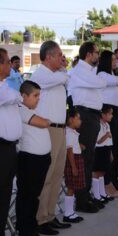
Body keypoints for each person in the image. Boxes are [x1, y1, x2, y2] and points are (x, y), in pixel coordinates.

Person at [31, 41, 71, 234]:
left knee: (57, 175)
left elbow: (65, 79)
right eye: (59, 55)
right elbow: (64, 78)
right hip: (48, 129)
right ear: (49, 57)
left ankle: (50, 214)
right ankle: (40, 219)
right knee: (47, 175)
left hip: (60, 129)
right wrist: (64, 71)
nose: (62, 58)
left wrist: (62, 71)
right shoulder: (40, 75)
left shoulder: (57, 76)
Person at [68, 42, 107, 213]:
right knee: (83, 158)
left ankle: (86, 196)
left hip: (91, 116)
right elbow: (100, 84)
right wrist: (100, 80)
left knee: (89, 157)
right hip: (84, 116)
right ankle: (82, 200)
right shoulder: (80, 70)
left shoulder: (88, 71)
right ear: (89, 54)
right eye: (97, 53)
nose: (98, 56)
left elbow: (99, 83)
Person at [16, 80, 51, 236]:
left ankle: (31, 225)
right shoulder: (20, 109)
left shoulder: (30, 110)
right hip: (29, 159)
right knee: (27, 195)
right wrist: (47, 121)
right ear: (23, 96)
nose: (38, 99)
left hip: (40, 159)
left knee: (34, 195)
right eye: (35, 95)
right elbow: (43, 123)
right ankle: (24, 229)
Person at [0, 48, 22, 236]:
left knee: (5, 196)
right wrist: (17, 97)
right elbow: (11, 97)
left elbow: (15, 97)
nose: (10, 65)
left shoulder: (5, 84)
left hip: (9, 148)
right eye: (7, 62)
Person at [97, 50, 118, 193]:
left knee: (117, 148)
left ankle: (115, 177)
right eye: (112, 60)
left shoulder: (115, 75)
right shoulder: (102, 75)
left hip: (117, 112)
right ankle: (107, 182)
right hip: (108, 112)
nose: (115, 62)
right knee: (109, 149)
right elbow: (115, 82)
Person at [63, 108, 85, 223]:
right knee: (71, 187)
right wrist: (73, 166)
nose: (80, 121)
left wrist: (79, 145)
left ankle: (70, 211)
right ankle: (68, 213)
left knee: (73, 187)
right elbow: (69, 150)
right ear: (71, 120)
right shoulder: (69, 132)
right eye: (78, 118)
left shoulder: (72, 132)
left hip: (76, 158)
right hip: (73, 160)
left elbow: (72, 145)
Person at [92, 105, 115, 203]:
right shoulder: (99, 126)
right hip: (99, 150)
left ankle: (102, 192)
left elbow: (109, 142)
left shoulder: (107, 125)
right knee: (97, 172)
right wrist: (107, 135)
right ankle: (96, 195)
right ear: (103, 114)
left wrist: (110, 153)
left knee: (103, 172)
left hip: (106, 150)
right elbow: (99, 141)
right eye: (110, 114)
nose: (112, 116)